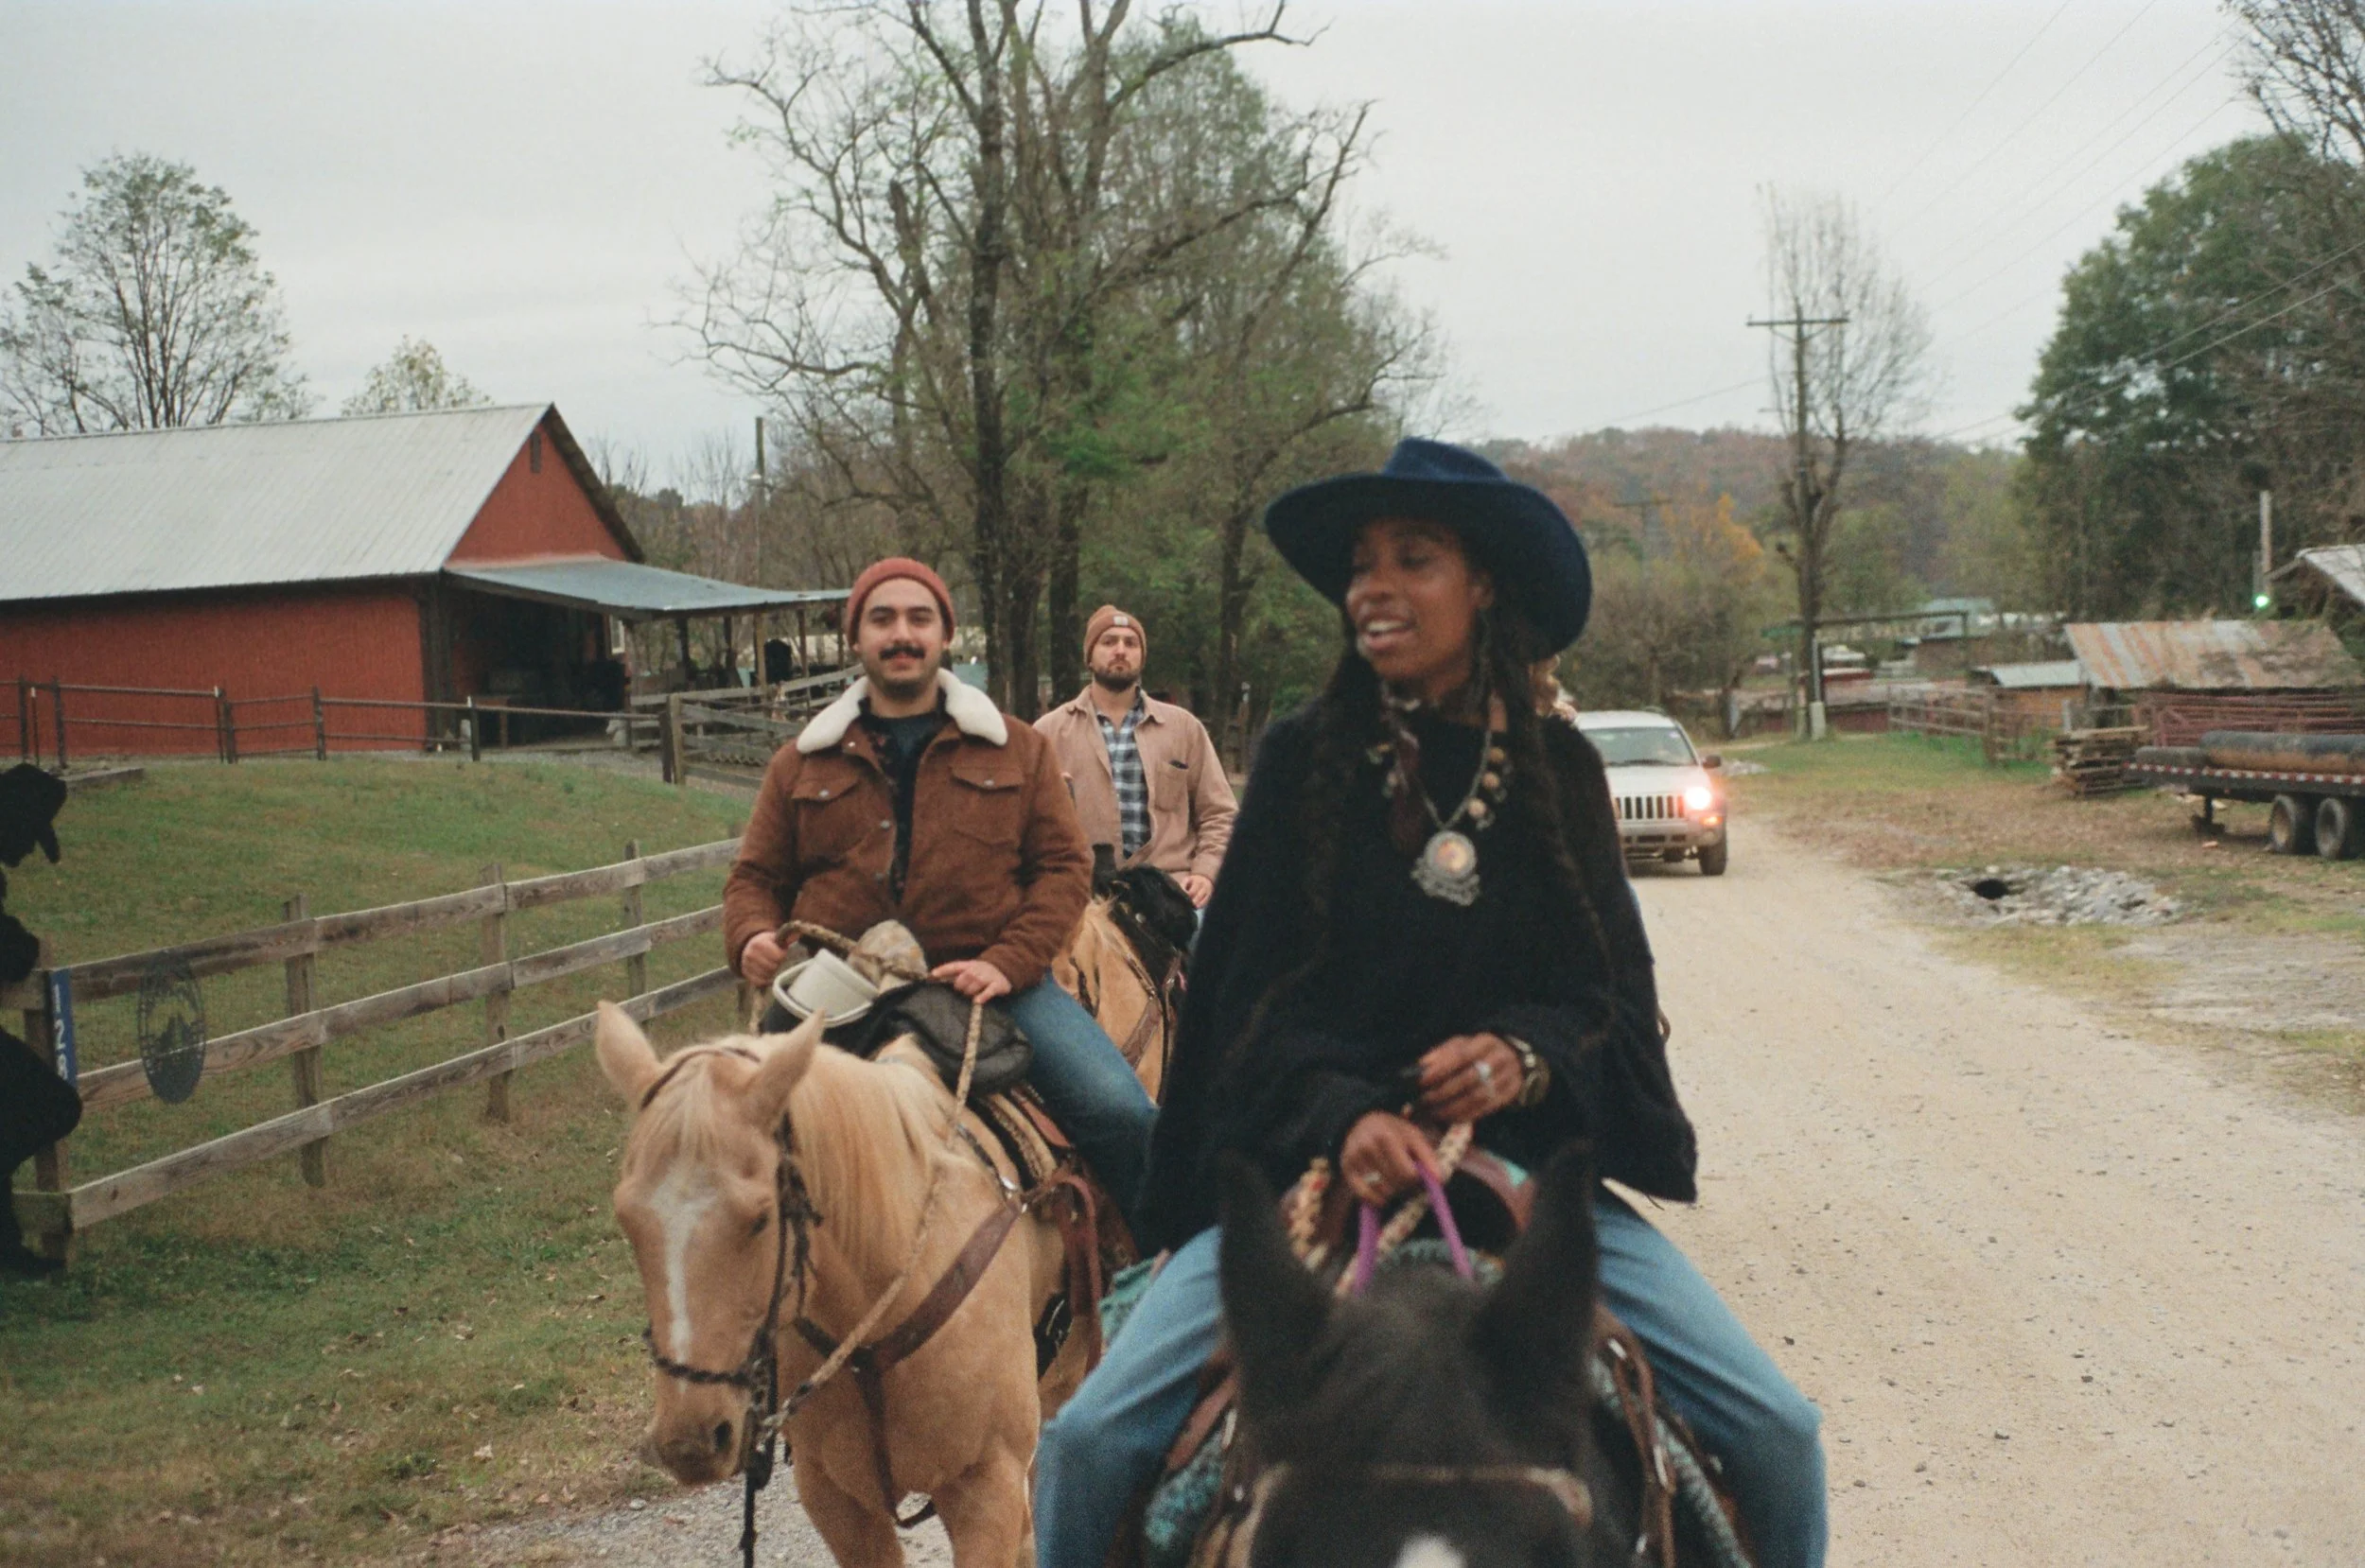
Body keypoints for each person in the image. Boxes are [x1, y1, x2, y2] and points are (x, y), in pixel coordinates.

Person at [1031, 442, 1829, 1568]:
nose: (1373, 586)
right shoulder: (1301, 761)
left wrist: (1524, 1058)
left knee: (1779, 1433)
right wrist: (1344, 1113)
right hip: (1318, 1178)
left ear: (1484, 583)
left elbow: (1606, 999)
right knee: (1087, 1442)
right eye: (1362, 564)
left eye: (1414, 558)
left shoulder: (1558, 774)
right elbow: (1237, 1011)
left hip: (1516, 1175)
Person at [722, 557, 1157, 1224]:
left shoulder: (1017, 749)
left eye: (919, 618)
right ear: (855, 639)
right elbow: (756, 876)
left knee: (1123, 1114)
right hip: (840, 986)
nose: (902, 634)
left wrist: (1006, 962)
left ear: (946, 635)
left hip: (992, 981)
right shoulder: (801, 762)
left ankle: (1153, 1283)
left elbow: (1065, 868)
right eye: (883, 619)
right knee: (725, 1137)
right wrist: (752, 933)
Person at [1034, 605, 1238, 909]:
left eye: (1130, 643)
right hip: (1081, 896)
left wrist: (1206, 873)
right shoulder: (1048, 733)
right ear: (1089, 656)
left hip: (1172, 889)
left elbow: (1220, 814)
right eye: (1109, 642)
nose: (1120, 650)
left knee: (1216, 946)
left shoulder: (1183, 728)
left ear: (1142, 656)